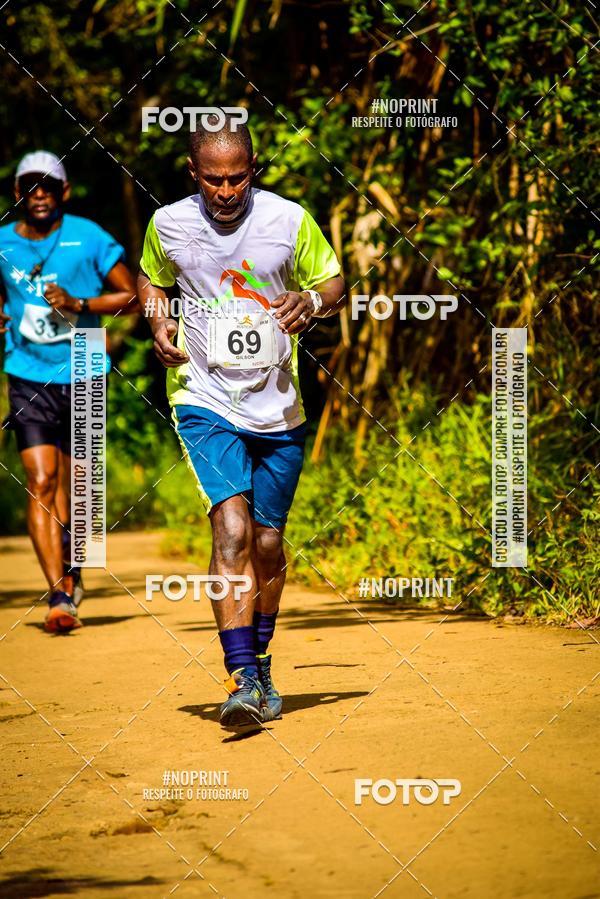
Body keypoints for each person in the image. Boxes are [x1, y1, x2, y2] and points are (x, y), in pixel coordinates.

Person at [138, 115, 345, 730]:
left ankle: (262, 657)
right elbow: (152, 279)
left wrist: (310, 301)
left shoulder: (289, 220)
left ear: (253, 170)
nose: (226, 191)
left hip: (278, 405)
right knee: (231, 530)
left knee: (267, 543)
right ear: (193, 173)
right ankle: (242, 676)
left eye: (237, 179)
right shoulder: (168, 223)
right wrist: (158, 321)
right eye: (213, 180)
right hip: (202, 398)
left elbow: (332, 282)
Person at [0, 151, 136, 633]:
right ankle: (58, 594)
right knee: (41, 482)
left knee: (80, 491)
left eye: (48, 187)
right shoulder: (2, 242)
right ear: (18, 193)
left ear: (64, 192)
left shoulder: (89, 236)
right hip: (27, 372)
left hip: (85, 363)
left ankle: (74, 567)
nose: (39, 195)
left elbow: (132, 296)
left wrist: (80, 302)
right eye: (30, 187)